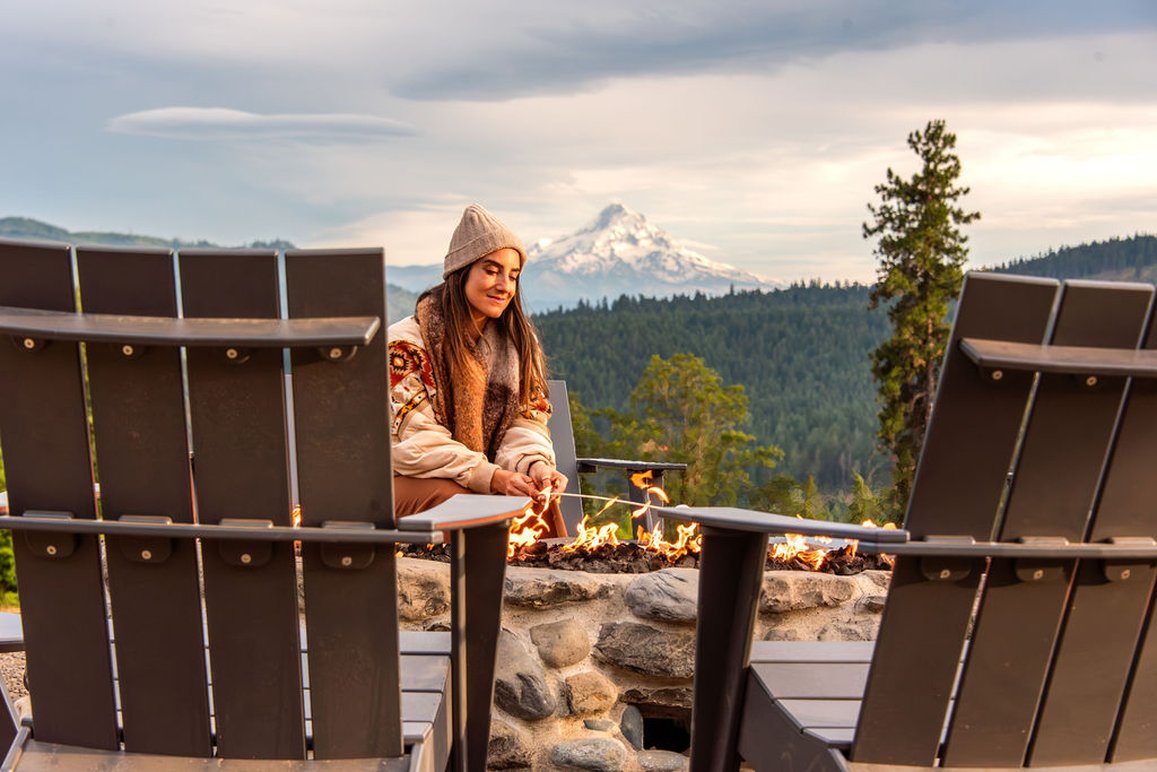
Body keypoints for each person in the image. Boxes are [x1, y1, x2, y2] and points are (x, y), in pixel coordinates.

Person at [388, 204, 568, 536]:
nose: (504, 285)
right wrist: (492, 478)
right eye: (491, 270)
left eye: (513, 276)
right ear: (461, 272)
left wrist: (536, 467)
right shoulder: (403, 346)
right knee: (465, 502)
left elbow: (524, 422)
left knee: (538, 505)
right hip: (399, 483)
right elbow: (417, 445)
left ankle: (553, 586)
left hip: (475, 478)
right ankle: (468, 589)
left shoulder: (517, 345)